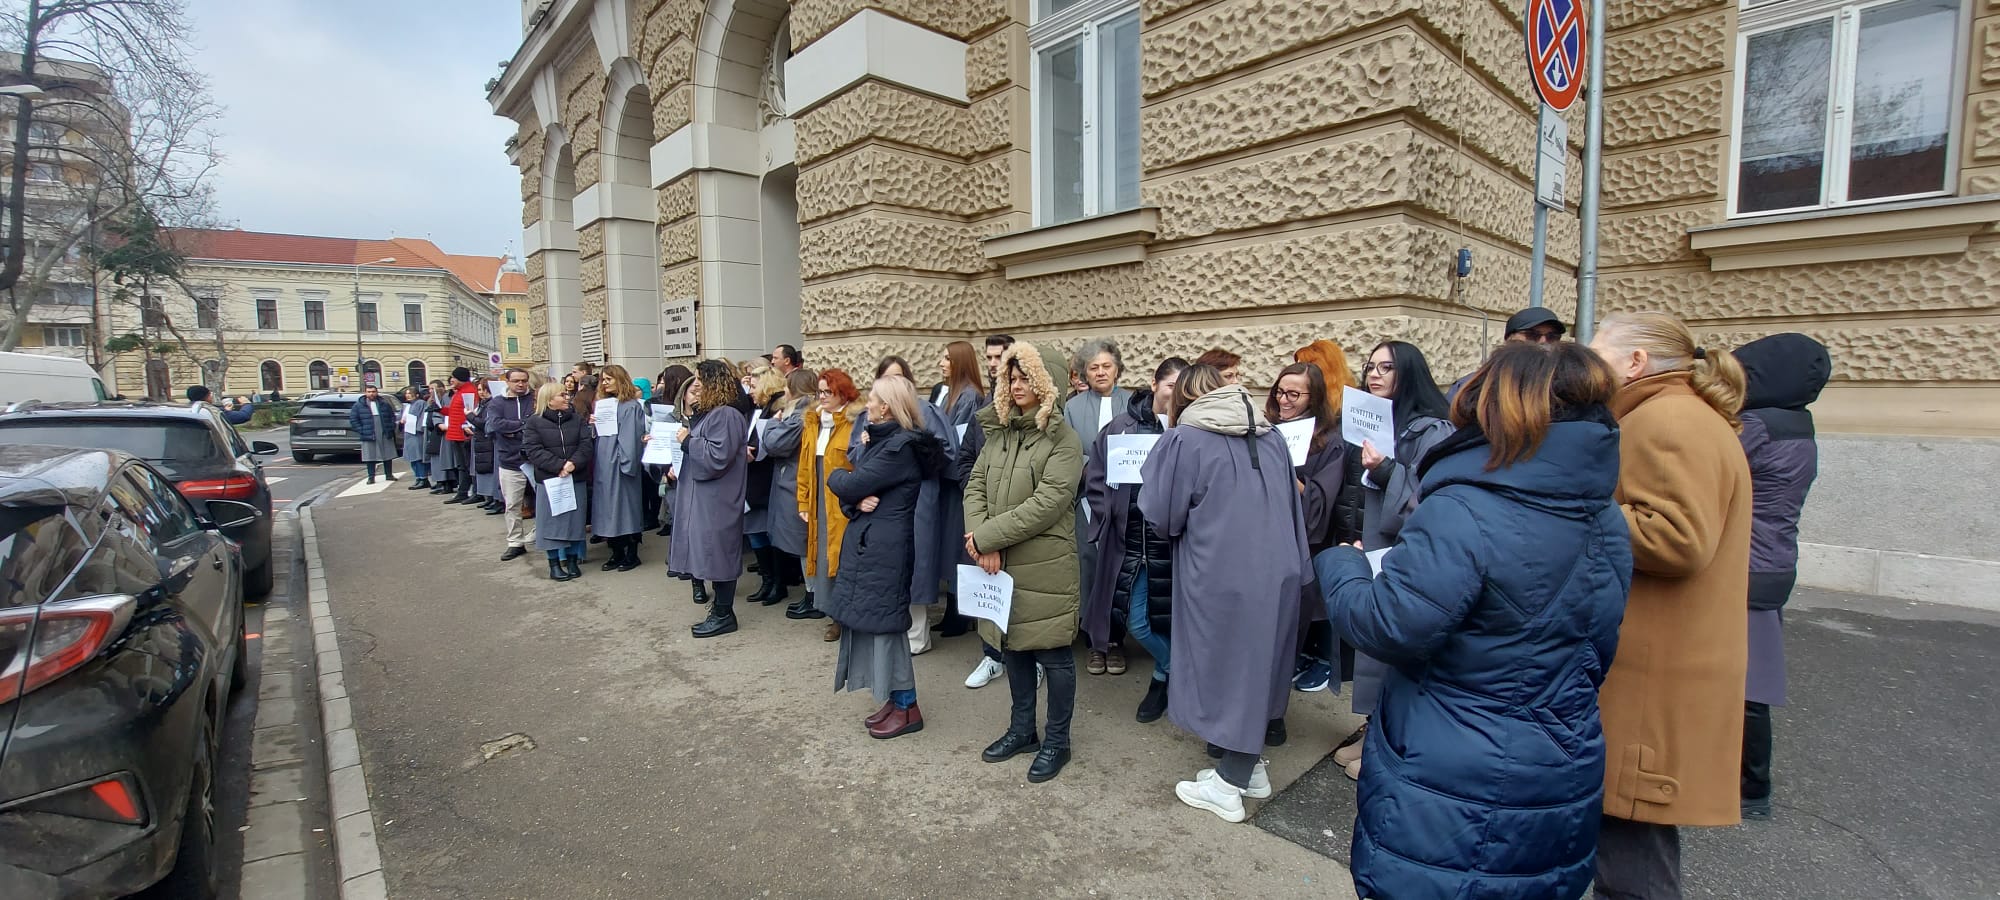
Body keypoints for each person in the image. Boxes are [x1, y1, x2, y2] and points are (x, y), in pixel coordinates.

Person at [1316, 341, 1633, 897]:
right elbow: (1597, 644)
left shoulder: (1465, 506)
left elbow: (1389, 624)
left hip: (1455, 774)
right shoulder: (1604, 513)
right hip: (1562, 758)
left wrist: (1341, 563)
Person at [1588, 310, 1753, 898]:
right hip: (1661, 659)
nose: (1589, 364)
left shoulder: (1665, 420)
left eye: (1598, 352)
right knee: (1628, 840)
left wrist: (1574, 500)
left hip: (1654, 671)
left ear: (1635, 363)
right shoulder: (1676, 414)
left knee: (1632, 848)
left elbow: (1677, 538)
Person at [1136, 364, 1310, 822]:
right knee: (1260, 667)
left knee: (1228, 668)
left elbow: (1160, 511)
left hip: (1221, 572)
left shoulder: (1185, 438)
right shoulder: (1271, 435)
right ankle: (1248, 768)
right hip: (1280, 569)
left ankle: (1231, 781)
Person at [964, 341, 1085, 783]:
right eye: (1011, 378)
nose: (1016, 386)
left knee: (1053, 655)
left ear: (1046, 383)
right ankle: (1022, 730)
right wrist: (980, 540)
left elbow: (1049, 502)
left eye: (1025, 378)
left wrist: (988, 537)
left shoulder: (1064, 441)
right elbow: (974, 486)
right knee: (1010, 645)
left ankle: (1057, 740)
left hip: (1044, 566)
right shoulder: (1000, 433)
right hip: (997, 564)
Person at [1337, 339, 1456, 779]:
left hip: (1408, 557)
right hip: (1374, 549)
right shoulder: (1380, 423)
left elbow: (1431, 504)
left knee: (1392, 652)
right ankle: (1372, 731)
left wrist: (1386, 469)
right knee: (1373, 649)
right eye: (1370, 366)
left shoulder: (1432, 431)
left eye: (1386, 367)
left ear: (1408, 373)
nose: (1374, 374)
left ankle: (1385, 744)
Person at [1732, 333, 1830, 821]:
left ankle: (1751, 787)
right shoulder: (1797, 423)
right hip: (1773, 562)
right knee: (1753, 678)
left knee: (1747, 685)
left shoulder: (1757, 426)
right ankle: (1749, 784)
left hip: (1745, 566)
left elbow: (1711, 468)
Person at [824, 375, 949, 738]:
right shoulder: (886, 443)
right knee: (880, 624)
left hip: (885, 552)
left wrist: (839, 478)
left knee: (889, 628)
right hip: (875, 548)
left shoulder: (900, 448)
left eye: (874, 399)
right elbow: (859, 489)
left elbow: (850, 482)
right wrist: (855, 499)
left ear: (887, 407)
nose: (867, 404)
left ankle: (907, 706)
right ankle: (897, 701)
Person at [1082, 357, 1186, 723]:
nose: (1175, 394)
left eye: (1182, 388)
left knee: (1176, 620)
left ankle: (1162, 680)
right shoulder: (1121, 428)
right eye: (1171, 385)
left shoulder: (1188, 430)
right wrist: (1106, 512)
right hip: (1130, 540)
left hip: (1173, 544)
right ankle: (1177, 670)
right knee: (1137, 620)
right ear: (1155, 384)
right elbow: (1095, 476)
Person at [1267, 361, 1360, 700]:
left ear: (1314, 396)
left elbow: (1322, 497)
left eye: (1294, 394)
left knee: (1301, 608)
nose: (1284, 400)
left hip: (1305, 540)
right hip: (1266, 534)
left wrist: (1287, 478)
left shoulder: (1329, 441)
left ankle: (1296, 663)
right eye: (1280, 391)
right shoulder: (1269, 428)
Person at [1287, 341, 1366, 693]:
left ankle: (1322, 658)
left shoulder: (1341, 423)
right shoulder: (1288, 422)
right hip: (1295, 523)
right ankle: (1303, 653)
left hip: (1332, 516)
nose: (1287, 398)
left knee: (1320, 590)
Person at [866, 356, 956, 656]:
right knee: (889, 565)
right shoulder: (870, 416)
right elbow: (856, 453)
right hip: (882, 499)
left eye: (900, 378)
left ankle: (917, 636)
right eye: (887, 379)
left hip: (919, 497)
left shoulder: (926, 411)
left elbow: (947, 452)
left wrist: (912, 459)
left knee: (917, 565)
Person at [676, 359, 753, 638]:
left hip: (719, 498)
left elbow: (717, 456)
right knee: (712, 551)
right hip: (709, 496)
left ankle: (724, 613)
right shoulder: (713, 413)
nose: (696, 385)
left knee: (718, 552)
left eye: (700, 380)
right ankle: (721, 611)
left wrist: (687, 441)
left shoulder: (726, 415)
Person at [797, 370, 864, 642]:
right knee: (824, 559)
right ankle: (835, 616)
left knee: (846, 559)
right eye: (819, 392)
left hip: (844, 504)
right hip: (819, 502)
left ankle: (852, 616)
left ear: (842, 394)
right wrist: (803, 500)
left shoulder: (855, 423)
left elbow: (861, 465)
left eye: (828, 392)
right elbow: (804, 466)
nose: (822, 397)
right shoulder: (812, 422)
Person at [930, 341, 987, 641]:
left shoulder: (969, 396)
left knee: (957, 546)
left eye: (947, 358)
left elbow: (958, 438)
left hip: (955, 481)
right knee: (949, 547)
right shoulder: (946, 392)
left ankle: (960, 613)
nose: (941, 363)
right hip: (944, 477)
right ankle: (953, 609)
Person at [761, 369, 820, 619]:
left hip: (796, 484)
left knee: (805, 544)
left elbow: (775, 443)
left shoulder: (799, 415)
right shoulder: (804, 412)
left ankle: (814, 596)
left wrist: (773, 423)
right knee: (803, 543)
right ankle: (812, 594)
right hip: (794, 482)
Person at [523, 382, 594, 581]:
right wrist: (559, 466)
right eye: (561, 395)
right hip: (550, 480)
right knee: (551, 523)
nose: (567, 398)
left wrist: (572, 464)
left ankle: (572, 561)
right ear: (549, 399)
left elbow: (586, 445)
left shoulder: (577, 420)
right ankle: (554, 563)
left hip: (575, 477)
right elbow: (534, 450)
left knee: (574, 521)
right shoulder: (534, 422)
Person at [589, 364, 649, 572]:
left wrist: (627, 464)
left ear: (620, 379)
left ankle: (631, 554)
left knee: (625, 509)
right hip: (603, 463)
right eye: (603, 380)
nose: (604, 383)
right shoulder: (604, 404)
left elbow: (631, 439)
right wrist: (593, 425)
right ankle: (615, 552)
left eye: (609, 379)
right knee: (607, 509)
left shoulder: (630, 406)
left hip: (620, 463)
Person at [744, 367, 791, 606]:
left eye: (753, 386)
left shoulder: (777, 408)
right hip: (754, 478)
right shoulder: (758, 409)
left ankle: (777, 583)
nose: (750, 391)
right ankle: (767, 580)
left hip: (765, 478)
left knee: (768, 532)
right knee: (756, 531)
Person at [1448, 308, 1569, 399]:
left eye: (1552, 337)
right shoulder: (1473, 386)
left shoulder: (1565, 386)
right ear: (1509, 339)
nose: (1543, 342)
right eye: (1532, 335)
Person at [486, 369, 537, 561]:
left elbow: (534, 422)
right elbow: (495, 424)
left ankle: (539, 533)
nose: (520, 384)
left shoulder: (533, 399)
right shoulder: (497, 402)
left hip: (534, 460)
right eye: (516, 381)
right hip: (509, 461)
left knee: (542, 501)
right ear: (507, 382)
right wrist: (521, 426)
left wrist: (514, 428)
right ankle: (515, 542)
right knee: (512, 504)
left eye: (524, 381)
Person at [650, 365, 695, 538]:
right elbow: (660, 451)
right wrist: (666, 468)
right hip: (674, 479)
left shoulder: (708, 418)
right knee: (680, 526)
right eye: (692, 392)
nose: (696, 395)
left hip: (697, 478)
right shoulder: (670, 418)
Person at [441, 368, 480, 505]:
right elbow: (454, 412)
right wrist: (440, 409)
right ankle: (464, 491)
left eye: (453, 378)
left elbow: (470, 413)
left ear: (460, 378)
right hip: (456, 433)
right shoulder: (460, 392)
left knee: (468, 465)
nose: (451, 380)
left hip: (463, 434)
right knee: (462, 465)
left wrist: (467, 428)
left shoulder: (469, 392)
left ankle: (469, 492)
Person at [348, 384, 400, 484]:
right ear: (365, 393)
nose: (371, 394)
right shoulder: (358, 405)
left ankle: (389, 475)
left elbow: (391, 416)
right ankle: (371, 477)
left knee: (387, 454)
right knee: (370, 456)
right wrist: (362, 430)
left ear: (376, 392)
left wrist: (391, 426)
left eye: (373, 392)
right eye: (369, 392)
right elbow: (353, 420)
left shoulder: (384, 404)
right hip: (368, 433)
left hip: (384, 432)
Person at [467, 381, 500, 511]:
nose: (481, 392)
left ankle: (496, 500)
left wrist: (470, 417)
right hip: (481, 439)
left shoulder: (491, 404)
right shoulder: (482, 404)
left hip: (487, 440)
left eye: (484, 389)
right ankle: (491, 499)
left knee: (491, 469)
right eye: (479, 390)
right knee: (485, 469)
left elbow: (484, 423)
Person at [398, 386, 436, 489]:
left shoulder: (420, 403)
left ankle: (423, 478)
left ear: (417, 394)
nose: (408, 395)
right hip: (408, 434)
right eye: (406, 393)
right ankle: (418, 477)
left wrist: (419, 429)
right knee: (412, 458)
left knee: (418, 457)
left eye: (410, 393)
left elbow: (422, 417)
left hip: (416, 434)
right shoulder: (406, 405)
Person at [426, 381, 455, 495]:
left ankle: (447, 484)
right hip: (436, 430)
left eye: (433, 388)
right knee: (438, 457)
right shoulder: (431, 400)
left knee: (445, 457)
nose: (431, 391)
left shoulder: (445, 398)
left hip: (444, 431)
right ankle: (441, 483)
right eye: (430, 389)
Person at [187, 385, 256, 425]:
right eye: (210, 395)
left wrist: (226, 410)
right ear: (207, 396)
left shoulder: (186, 410)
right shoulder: (211, 411)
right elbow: (243, 416)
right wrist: (246, 404)